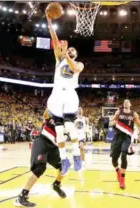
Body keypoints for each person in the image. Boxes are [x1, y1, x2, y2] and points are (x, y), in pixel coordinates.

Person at [46, 12, 84, 175]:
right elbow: (55, 40)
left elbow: (74, 69)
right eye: (70, 49)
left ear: (75, 54)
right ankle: (64, 159)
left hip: (69, 95)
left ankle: (76, 155)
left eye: (73, 50)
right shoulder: (59, 59)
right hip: (56, 95)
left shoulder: (79, 64)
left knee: (69, 126)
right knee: (59, 131)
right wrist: (49, 23)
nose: (71, 50)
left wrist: (68, 55)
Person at [14, 109, 66, 207]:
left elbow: (62, 141)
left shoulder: (66, 124)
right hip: (41, 142)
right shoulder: (52, 118)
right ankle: (21, 197)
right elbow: (45, 115)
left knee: (64, 167)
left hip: (53, 147)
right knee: (40, 167)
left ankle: (56, 185)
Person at [109, 99, 140, 189]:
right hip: (117, 137)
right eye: (124, 101)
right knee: (114, 159)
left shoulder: (134, 114)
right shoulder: (118, 112)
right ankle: (118, 171)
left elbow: (139, 125)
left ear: (130, 104)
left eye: (128, 101)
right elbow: (111, 122)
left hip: (127, 137)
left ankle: (122, 180)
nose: (126, 102)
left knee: (124, 154)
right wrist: (112, 122)